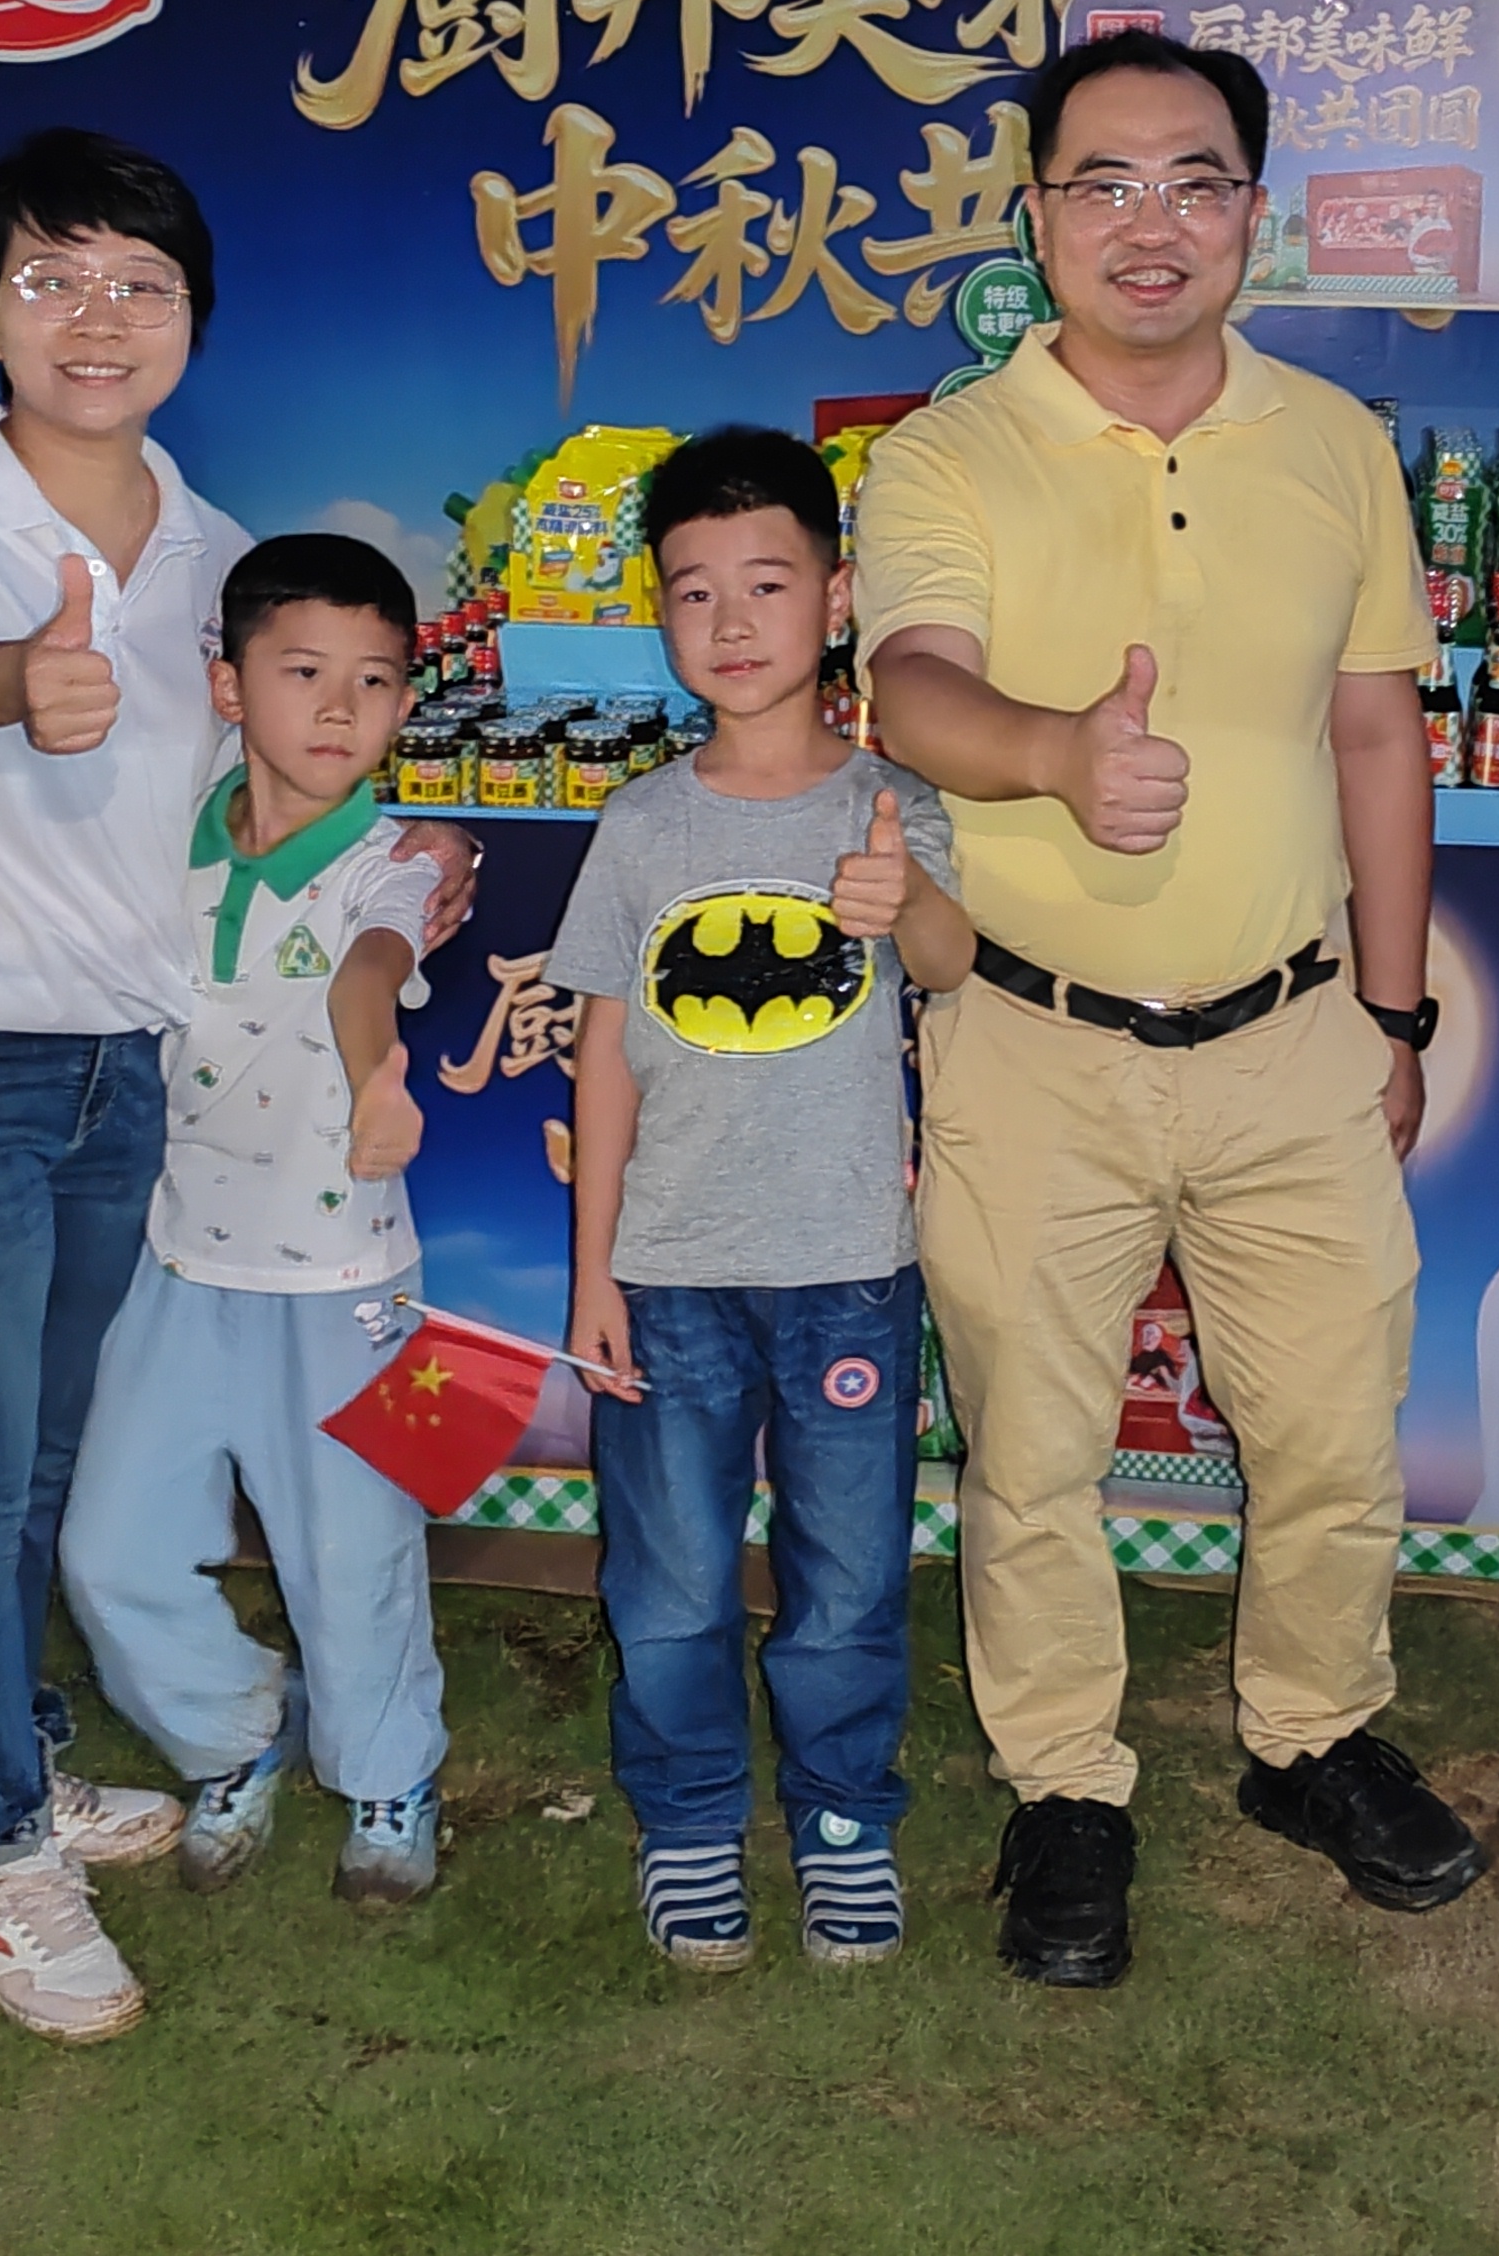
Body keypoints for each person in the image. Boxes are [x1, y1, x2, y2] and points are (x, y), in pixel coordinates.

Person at [0, 132, 473, 2042]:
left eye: (142, 284)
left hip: (120, 1089)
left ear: (193, 319)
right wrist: (13, 674)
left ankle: (2, 1749)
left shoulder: (220, 557)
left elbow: (302, 788)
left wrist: (412, 863)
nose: (99, 317)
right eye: (53, 277)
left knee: (43, 1474)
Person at [857, 26, 1482, 1991]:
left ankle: (1310, 1734)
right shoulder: (945, 452)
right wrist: (1057, 751)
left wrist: (1392, 1018)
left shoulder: (1333, 442)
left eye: (1195, 182)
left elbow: (1376, 735)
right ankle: (1063, 1783)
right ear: (1035, 216)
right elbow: (909, 687)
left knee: (1332, 1426)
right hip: (1030, 1037)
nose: (1152, 223)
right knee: (1031, 1448)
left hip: (1293, 1035)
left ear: (1252, 215)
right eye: (1103, 183)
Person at [549, 426, 973, 1971]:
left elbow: (952, 965)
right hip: (670, 1271)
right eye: (694, 591)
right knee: (669, 1580)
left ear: (838, 599)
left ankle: (845, 1821)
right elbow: (605, 1053)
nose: (731, 622)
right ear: (661, 613)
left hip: (847, 1264)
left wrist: (904, 900)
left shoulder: (892, 805)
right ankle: (688, 1819)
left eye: (769, 583)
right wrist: (594, 1271)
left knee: (847, 1580)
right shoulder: (644, 826)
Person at [57, 533, 458, 1978]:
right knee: (108, 1549)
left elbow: (369, 970)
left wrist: (378, 1073)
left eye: (376, 681)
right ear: (228, 687)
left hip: (351, 1283)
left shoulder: (392, 863)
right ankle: (233, 1732)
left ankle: (391, 1778)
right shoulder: (162, 822)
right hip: (177, 1266)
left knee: (359, 1552)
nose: (341, 709)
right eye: (302, 673)